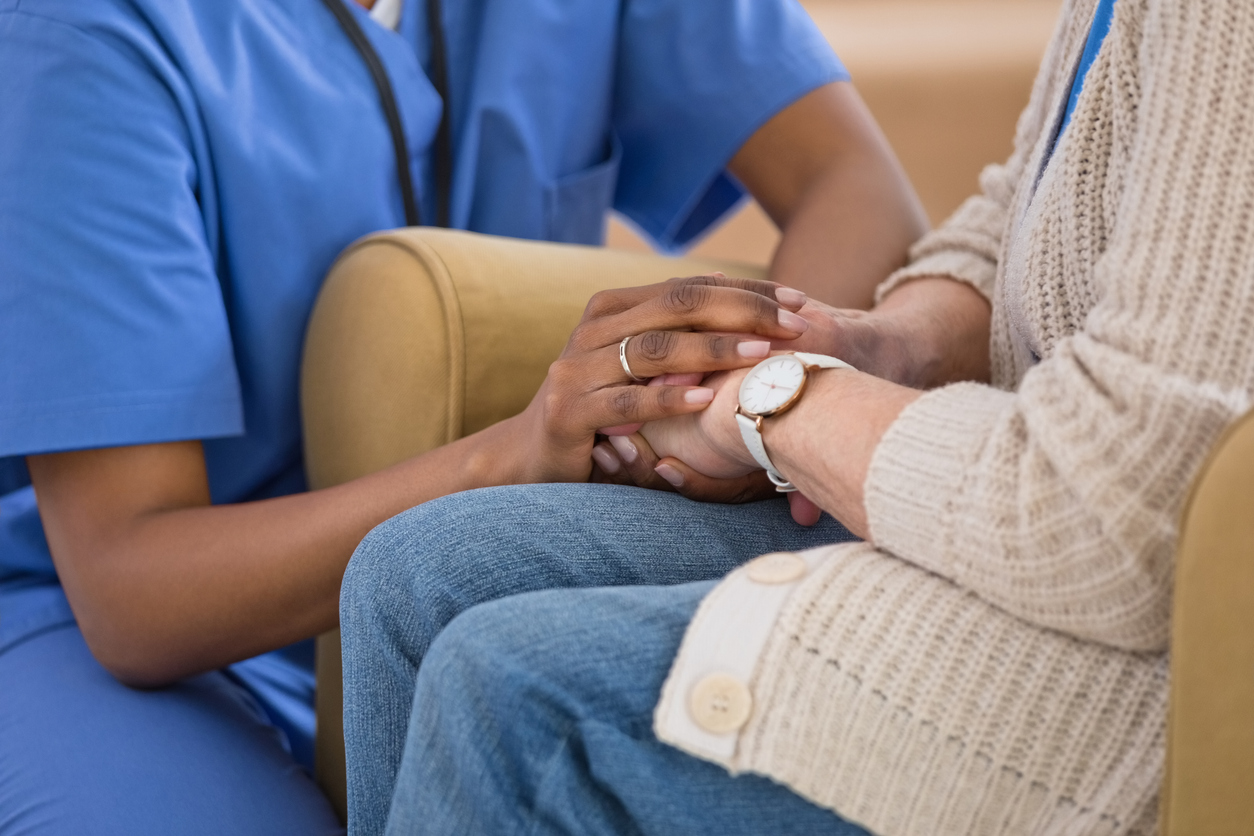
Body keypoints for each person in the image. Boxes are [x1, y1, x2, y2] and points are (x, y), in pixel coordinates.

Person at [0, 0, 929, 832]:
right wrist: (521, 453)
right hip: (107, 623)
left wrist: (723, 397)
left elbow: (857, 187)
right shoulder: (81, 32)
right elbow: (131, 594)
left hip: (506, 553)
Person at [340, 0, 1254, 833]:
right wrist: (873, 342)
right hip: (1001, 506)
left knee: (510, 690)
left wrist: (779, 406)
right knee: (413, 569)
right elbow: (1016, 216)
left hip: (1135, 634)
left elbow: (1112, 516)